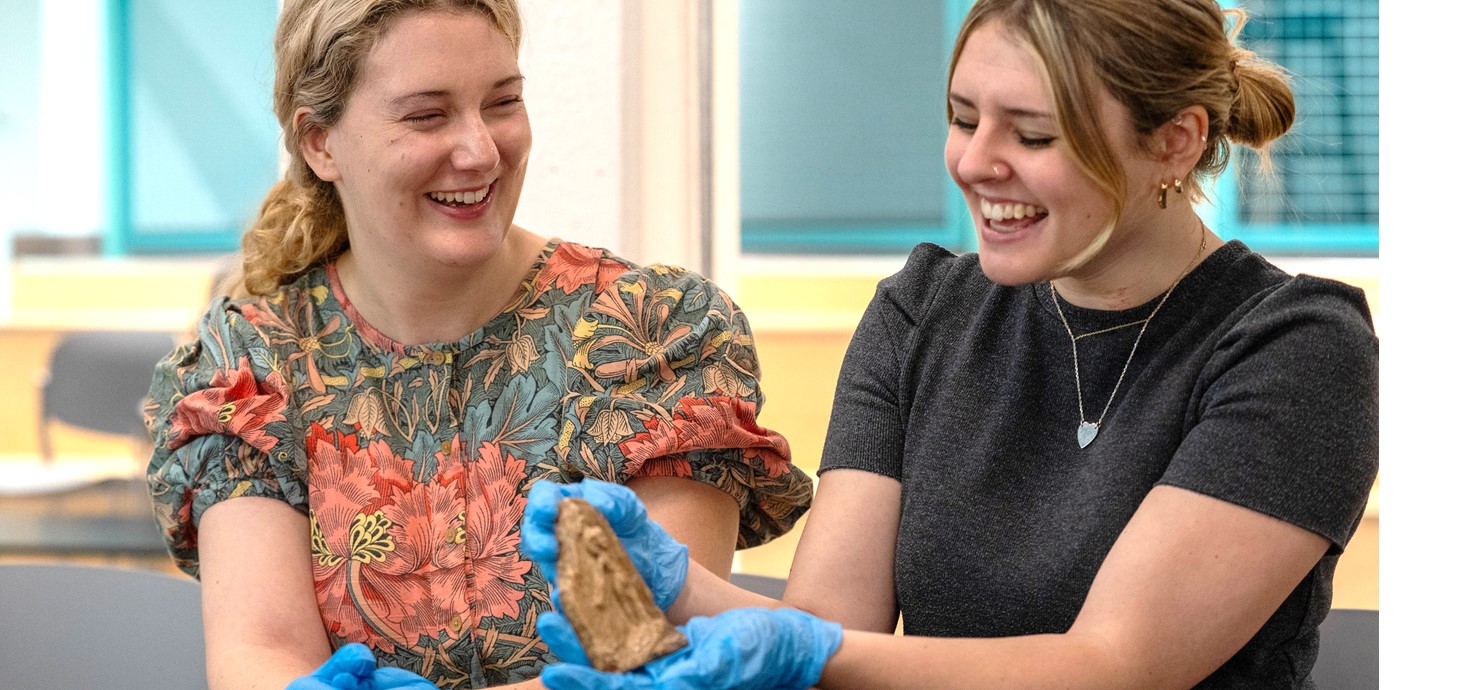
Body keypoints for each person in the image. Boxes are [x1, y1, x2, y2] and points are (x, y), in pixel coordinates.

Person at [522, 0, 1379, 688]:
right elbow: (835, 630)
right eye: (964, 118)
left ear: (1175, 141)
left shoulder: (1295, 348)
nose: (975, 162)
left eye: (1032, 134)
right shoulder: (923, 310)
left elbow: (1116, 667)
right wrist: (680, 600)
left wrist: (758, 635)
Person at [142, 1, 812, 688]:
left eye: (503, 102)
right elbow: (261, 656)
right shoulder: (253, 366)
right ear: (320, 143)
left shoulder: (654, 334)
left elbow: (649, 655)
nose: (481, 151)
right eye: (428, 115)